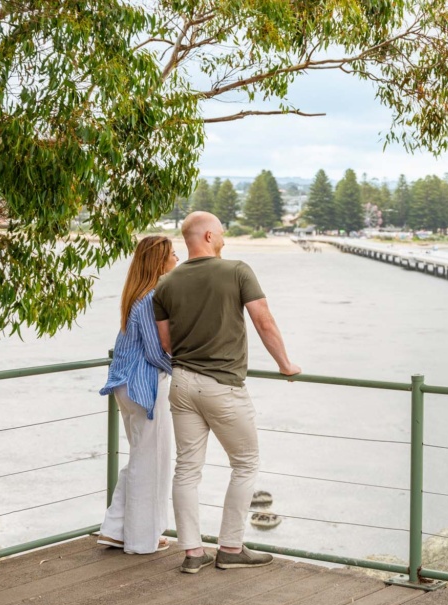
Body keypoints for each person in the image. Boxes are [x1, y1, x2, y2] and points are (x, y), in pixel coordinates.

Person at [154, 211, 301, 574]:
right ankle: (231, 547)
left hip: (182, 382)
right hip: (221, 385)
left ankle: (192, 553)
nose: (224, 238)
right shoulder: (237, 270)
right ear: (206, 236)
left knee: (186, 470)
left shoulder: (166, 283)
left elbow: (166, 343)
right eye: (220, 233)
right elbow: (263, 320)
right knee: (246, 464)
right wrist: (285, 364)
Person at [98, 236, 179, 553]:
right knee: (151, 462)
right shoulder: (150, 299)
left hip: (126, 385)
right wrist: (183, 367)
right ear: (160, 261)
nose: (177, 257)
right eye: (173, 253)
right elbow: (157, 352)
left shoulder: (136, 296)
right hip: (144, 386)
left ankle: (116, 529)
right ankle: (141, 540)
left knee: (142, 458)